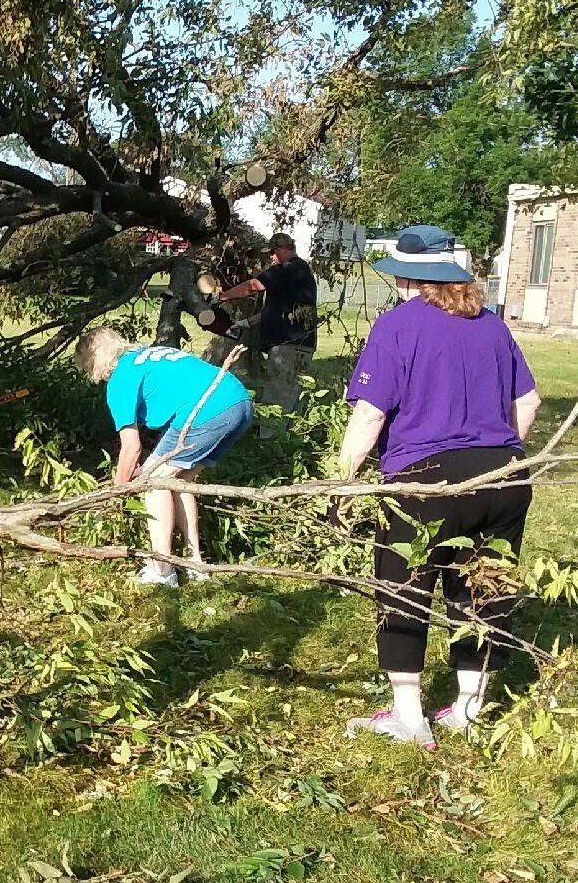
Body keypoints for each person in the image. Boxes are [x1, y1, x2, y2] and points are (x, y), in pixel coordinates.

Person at [334, 225, 541, 749]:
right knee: (482, 588)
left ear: (409, 277)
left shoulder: (396, 326)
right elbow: (530, 403)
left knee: (402, 588)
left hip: (427, 481)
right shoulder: (493, 326)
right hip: (504, 477)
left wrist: (343, 483)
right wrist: (496, 455)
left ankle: (410, 717)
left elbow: (370, 415)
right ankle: (468, 711)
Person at [75, 327, 253, 587]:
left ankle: (162, 569)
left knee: (153, 483)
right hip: (239, 401)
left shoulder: (120, 380)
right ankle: (196, 564)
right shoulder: (148, 355)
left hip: (208, 410)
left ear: (93, 361)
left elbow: (131, 448)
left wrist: (118, 491)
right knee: (180, 481)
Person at [217, 232, 318, 413]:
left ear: (283, 249)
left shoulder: (287, 268)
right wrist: (246, 323)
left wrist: (222, 296)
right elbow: (277, 309)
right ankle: (291, 436)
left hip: (287, 345)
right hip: (304, 342)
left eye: (273, 252)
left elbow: (254, 286)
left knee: (277, 394)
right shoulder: (302, 270)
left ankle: (269, 438)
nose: (271, 257)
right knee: (295, 393)